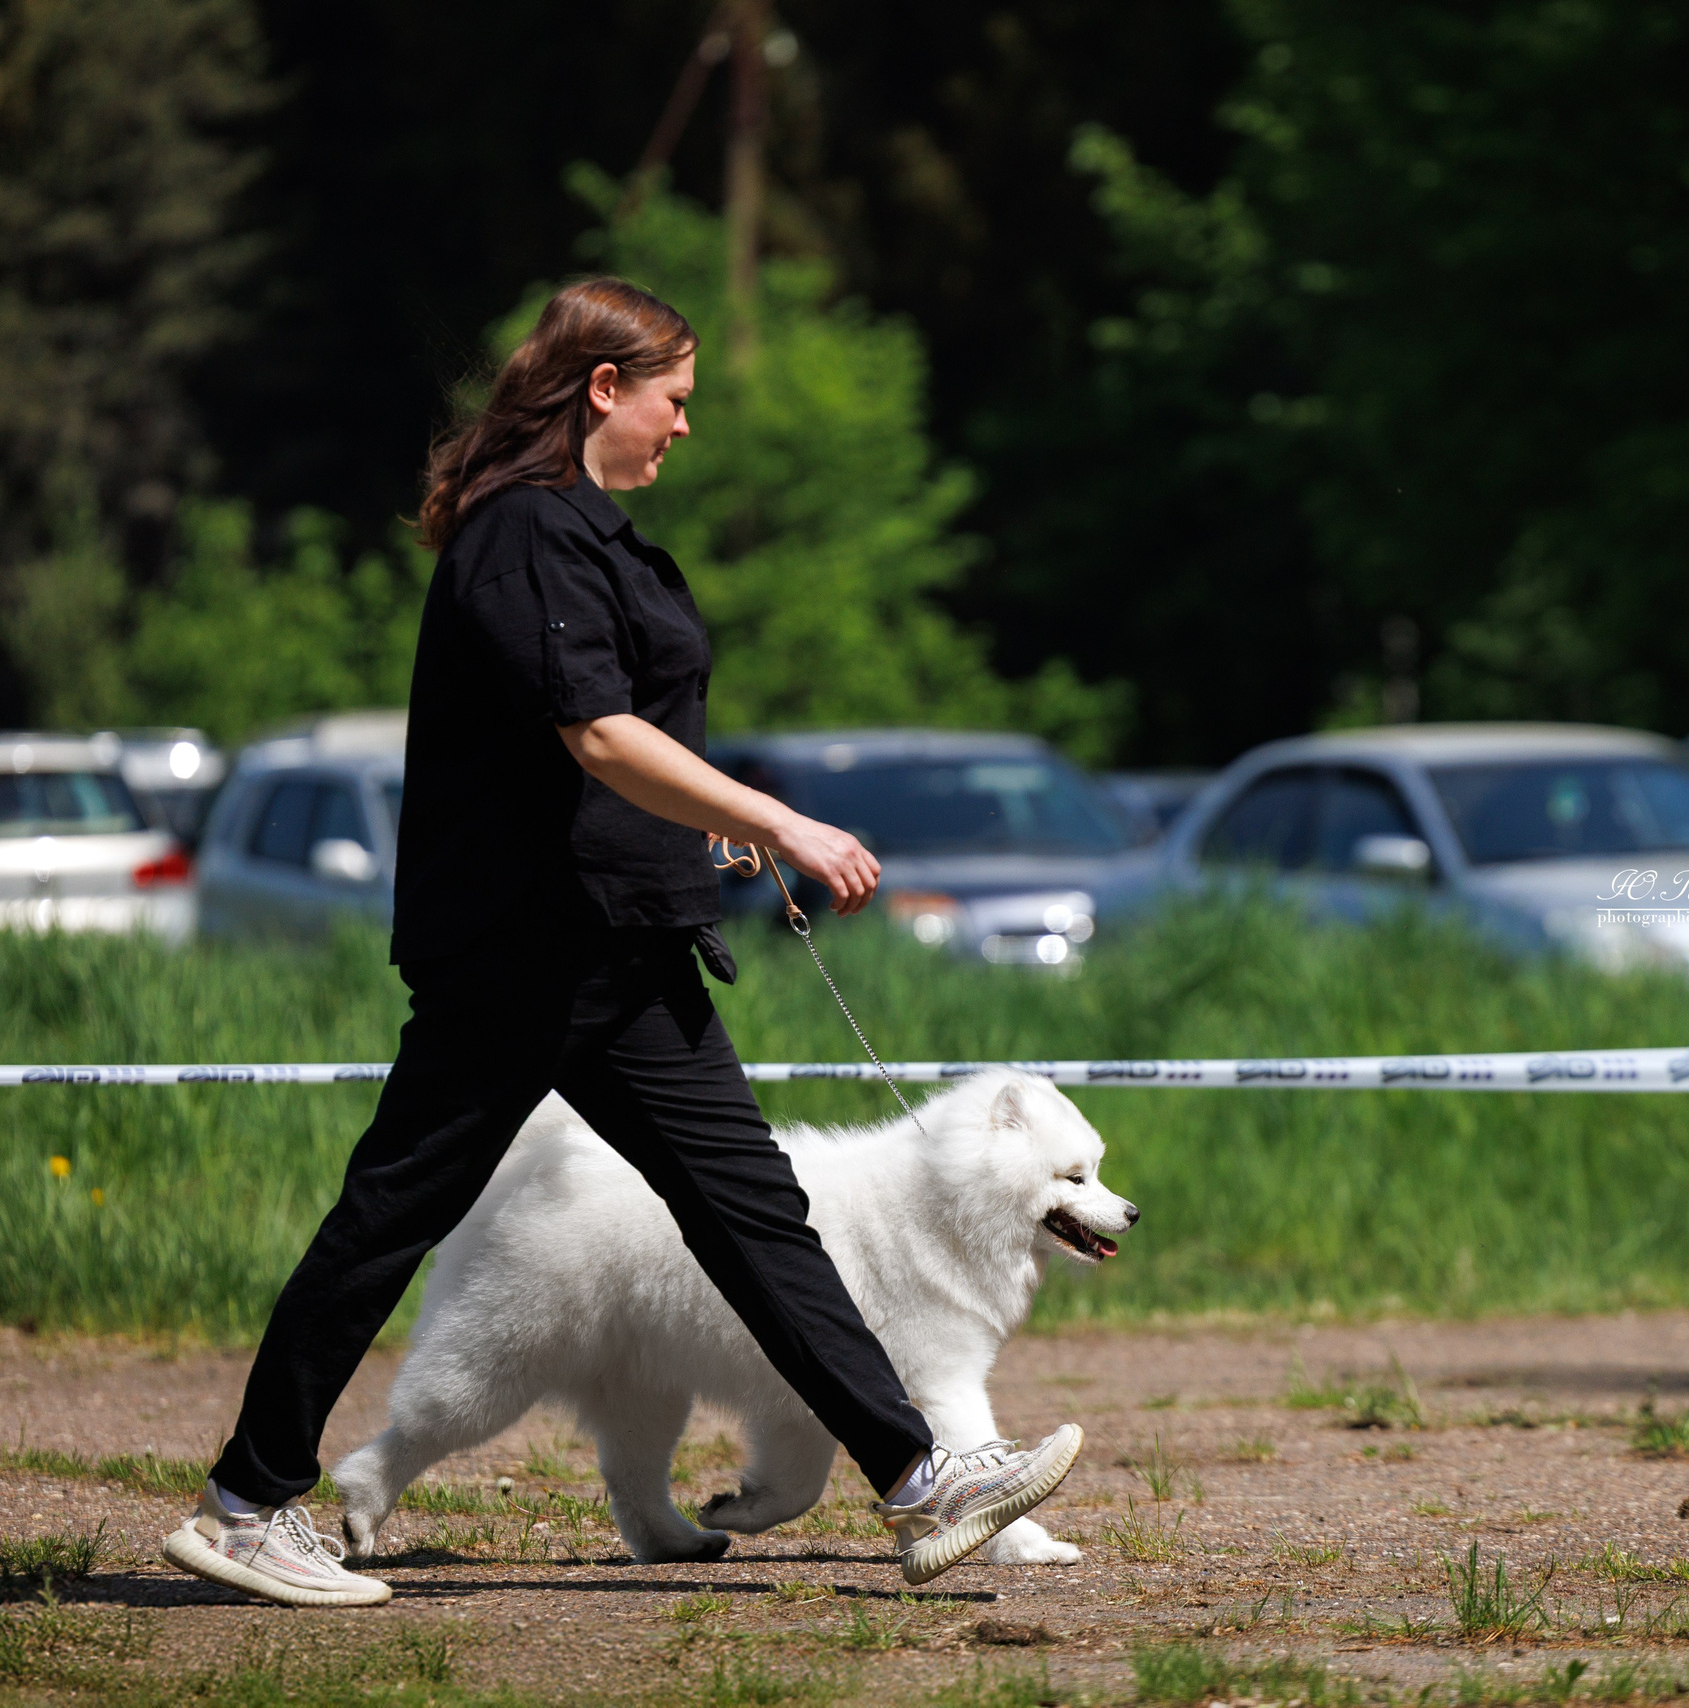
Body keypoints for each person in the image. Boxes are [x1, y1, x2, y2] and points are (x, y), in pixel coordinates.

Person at [161, 278, 1081, 1608]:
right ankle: (248, 1504)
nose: (685, 427)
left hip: (621, 950)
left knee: (754, 1214)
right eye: (675, 399)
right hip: (527, 955)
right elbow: (595, 734)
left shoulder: (579, 534)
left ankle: (920, 1478)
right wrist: (779, 820)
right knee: (395, 1209)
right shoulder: (524, 532)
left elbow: (610, 758)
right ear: (604, 388)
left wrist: (699, 842)